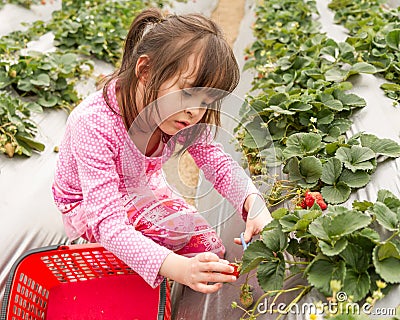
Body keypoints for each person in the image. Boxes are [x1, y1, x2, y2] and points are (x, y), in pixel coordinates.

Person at [52, 8, 272, 294]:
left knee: (210, 251)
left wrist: (253, 203)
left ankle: (147, 256)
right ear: (145, 71)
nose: (195, 111)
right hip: (91, 205)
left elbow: (216, 161)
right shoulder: (93, 123)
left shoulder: (181, 115)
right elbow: (108, 221)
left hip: (144, 185)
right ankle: (106, 260)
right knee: (168, 244)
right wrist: (177, 267)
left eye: (206, 100)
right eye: (188, 92)